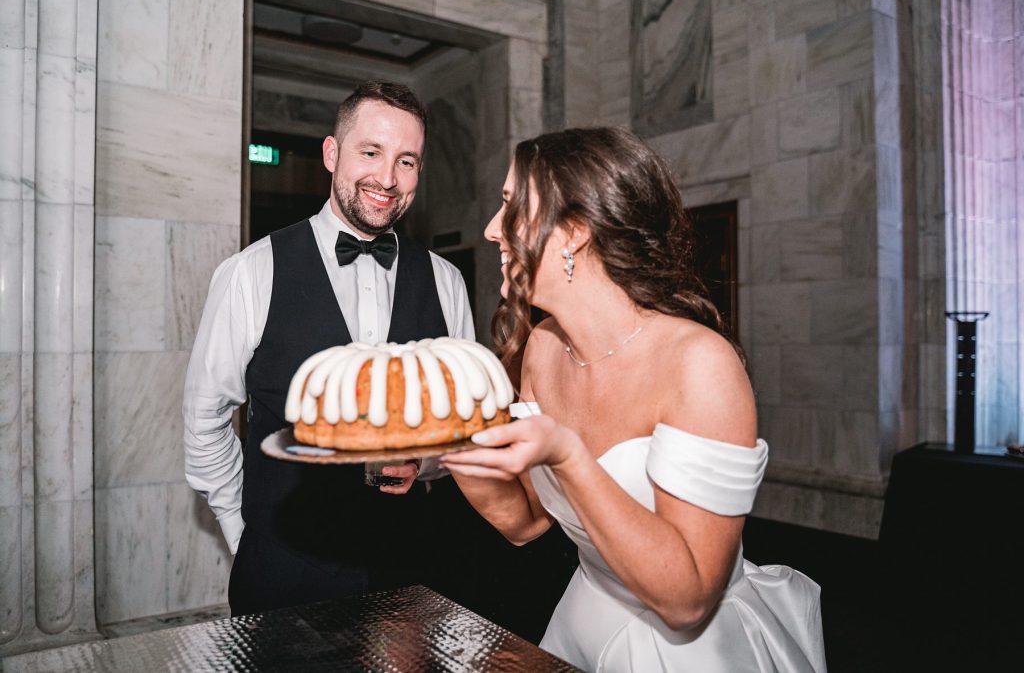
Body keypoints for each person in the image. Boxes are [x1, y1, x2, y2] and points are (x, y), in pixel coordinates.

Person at [441, 127, 826, 671]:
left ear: (574, 231)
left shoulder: (700, 365)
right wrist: (449, 436)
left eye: (511, 208)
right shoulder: (543, 350)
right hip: (583, 623)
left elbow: (689, 600)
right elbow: (525, 522)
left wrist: (567, 453)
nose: (490, 230)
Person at [183, 81, 476, 616]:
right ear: (331, 153)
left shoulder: (446, 281)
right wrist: (246, 534)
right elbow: (205, 421)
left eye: (406, 161)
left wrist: (428, 462)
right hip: (282, 577)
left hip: (410, 577)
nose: (387, 179)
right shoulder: (253, 272)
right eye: (371, 152)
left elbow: (465, 430)